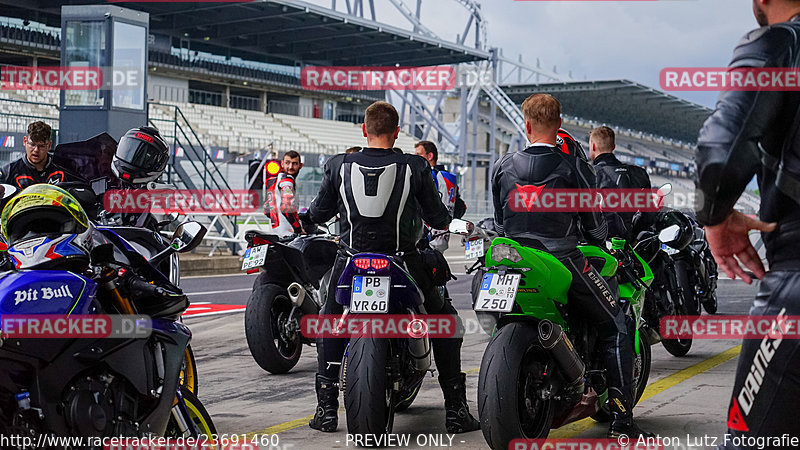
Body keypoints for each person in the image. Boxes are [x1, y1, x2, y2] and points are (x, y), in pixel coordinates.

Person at [303, 101, 480, 434]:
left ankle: (326, 409)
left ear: (364, 130)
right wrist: (457, 224)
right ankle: (456, 410)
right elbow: (437, 216)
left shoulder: (339, 165)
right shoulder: (415, 166)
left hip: (350, 260)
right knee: (446, 323)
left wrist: (306, 217)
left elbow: (318, 213)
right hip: (405, 260)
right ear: (396, 132)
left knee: (329, 320)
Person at [491, 93, 652, 438]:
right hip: (563, 258)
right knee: (617, 323)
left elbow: (500, 224)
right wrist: (597, 239)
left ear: (527, 124)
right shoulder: (574, 166)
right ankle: (622, 422)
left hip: (512, 259)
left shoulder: (503, 166)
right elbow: (595, 227)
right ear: (560, 125)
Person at [694, 0, 799, 445]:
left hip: (795, 280)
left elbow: (722, 148)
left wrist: (715, 216)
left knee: (751, 439)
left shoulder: (782, 42)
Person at [589, 126, 652, 239]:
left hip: (597, 247)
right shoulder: (639, 174)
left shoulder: (589, 173)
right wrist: (632, 233)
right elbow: (648, 216)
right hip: (626, 245)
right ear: (613, 146)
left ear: (593, 146)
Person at [414, 140, 466, 251]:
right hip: (444, 234)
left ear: (430, 156)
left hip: (428, 235)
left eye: (418, 154)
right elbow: (461, 206)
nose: (415, 157)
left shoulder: (430, 175)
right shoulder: (449, 177)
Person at [0, 121, 67, 189]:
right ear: (25, 141)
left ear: (49, 145)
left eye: (41, 146)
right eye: (32, 144)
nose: (36, 150)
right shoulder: (9, 172)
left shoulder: (64, 167)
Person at [264, 150, 303, 237]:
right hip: (288, 235)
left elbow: (266, 210)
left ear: (300, 165)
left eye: (294, 163)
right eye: (287, 163)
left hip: (275, 233)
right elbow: (287, 207)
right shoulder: (287, 181)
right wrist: (298, 229)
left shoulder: (274, 181)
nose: (290, 167)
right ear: (282, 164)